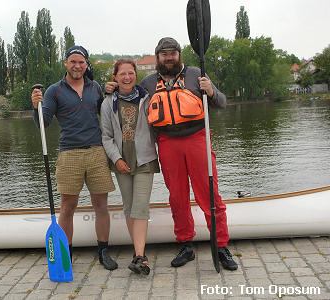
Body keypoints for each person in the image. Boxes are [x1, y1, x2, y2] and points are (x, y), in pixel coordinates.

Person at [106, 37, 238, 271]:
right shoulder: (147, 83)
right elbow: (127, 92)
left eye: (172, 53)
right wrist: (112, 87)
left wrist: (210, 91)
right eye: (164, 54)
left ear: (179, 55)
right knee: (177, 196)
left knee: (209, 195)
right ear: (157, 58)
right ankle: (186, 243)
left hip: (197, 139)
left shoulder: (196, 74)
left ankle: (221, 246)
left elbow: (222, 102)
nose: (168, 57)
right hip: (167, 142)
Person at [31, 45, 118, 271]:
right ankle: (65, 254)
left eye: (81, 62)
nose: (77, 66)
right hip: (69, 153)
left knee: (101, 204)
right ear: (66, 63)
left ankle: (103, 251)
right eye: (73, 62)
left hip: (97, 151)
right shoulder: (54, 91)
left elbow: (107, 113)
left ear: (86, 64)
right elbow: (43, 123)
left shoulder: (95, 87)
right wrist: (36, 108)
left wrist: (110, 93)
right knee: (67, 206)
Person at [100, 59, 159, 275]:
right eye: (122, 74)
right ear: (115, 77)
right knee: (128, 207)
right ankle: (138, 252)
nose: (127, 77)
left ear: (136, 75)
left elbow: (158, 124)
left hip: (144, 159)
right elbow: (106, 137)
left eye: (130, 73)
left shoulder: (146, 97)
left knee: (140, 206)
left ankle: (139, 256)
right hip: (121, 161)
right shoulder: (107, 103)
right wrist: (116, 159)